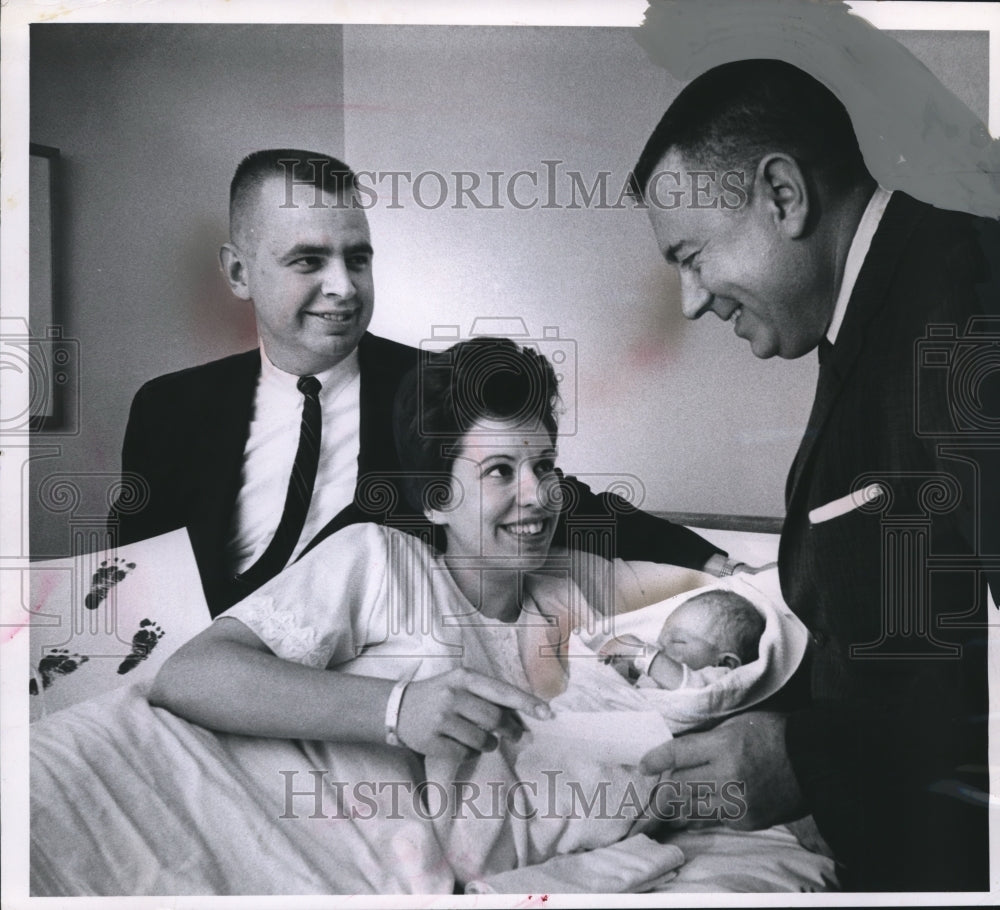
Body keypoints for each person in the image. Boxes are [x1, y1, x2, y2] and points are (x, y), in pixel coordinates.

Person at [629, 59, 998, 891]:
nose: (689, 302)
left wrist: (809, 757)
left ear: (784, 196)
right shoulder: (876, 315)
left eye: (691, 256)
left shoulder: (971, 302)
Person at [109, 149, 729, 616]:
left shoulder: (435, 386)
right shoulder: (169, 409)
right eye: (308, 260)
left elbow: (551, 499)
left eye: (357, 257)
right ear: (239, 272)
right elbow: (131, 581)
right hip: (204, 683)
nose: (344, 287)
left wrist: (711, 561)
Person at [149, 338, 681, 883]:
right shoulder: (380, 560)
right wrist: (398, 710)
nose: (538, 494)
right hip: (185, 814)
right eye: (500, 470)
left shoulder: (567, 609)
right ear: (435, 499)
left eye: (544, 466)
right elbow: (187, 676)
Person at [599, 589, 764, 690]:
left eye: (677, 641)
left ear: (725, 664)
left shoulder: (719, 683)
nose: (659, 647)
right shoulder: (666, 668)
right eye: (661, 638)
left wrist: (639, 652)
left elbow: (692, 689)